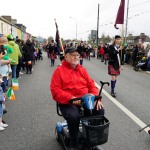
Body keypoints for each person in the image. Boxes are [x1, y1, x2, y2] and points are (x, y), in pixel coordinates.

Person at [50, 47, 104, 149]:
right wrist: (71, 98)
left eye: (77, 55)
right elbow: (55, 91)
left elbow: (91, 85)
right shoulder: (59, 71)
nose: (76, 57)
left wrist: (96, 99)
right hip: (68, 102)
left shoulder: (82, 70)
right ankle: (73, 144)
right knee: (74, 116)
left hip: (86, 100)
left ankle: (91, 141)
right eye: (73, 55)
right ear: (66, 57)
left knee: (99, 111)